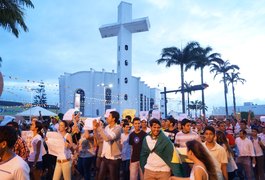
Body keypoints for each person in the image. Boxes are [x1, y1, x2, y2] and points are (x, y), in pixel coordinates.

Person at [93, 111, 122, 180]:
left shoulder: (118, 128)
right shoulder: (106, 127)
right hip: (105, 157)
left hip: (113, 159)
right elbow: (100, 139)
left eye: (109, 116)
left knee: (113, 178)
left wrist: (99, 128)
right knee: (100, 177)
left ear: (113, 119)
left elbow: (108, 138)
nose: (107, 118)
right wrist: (95, 129)